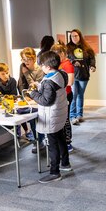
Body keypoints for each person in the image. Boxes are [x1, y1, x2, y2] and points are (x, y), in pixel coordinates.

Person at [28, 51, 71, 183]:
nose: (40, 67)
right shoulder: (61, 74)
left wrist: (33, 94)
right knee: (61, 139)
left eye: (41, 65)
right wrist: (40, 85)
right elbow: (53, 89)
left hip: (51, 117)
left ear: (47, 66)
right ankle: (65, 163)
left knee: (52, 145)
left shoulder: (48, 81)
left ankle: (54, 172)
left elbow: (45, 100)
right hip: (59, 115)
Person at [17, 47, 45, 153]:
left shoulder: (40, 70)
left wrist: (26, 74)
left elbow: (35, 86)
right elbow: (21, 82)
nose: (25, 62)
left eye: (28, 59)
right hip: (27, 97)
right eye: (23, 59)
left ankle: (39, 141)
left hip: (38, 97)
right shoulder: (22, 66)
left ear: (34, 58)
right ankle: (37, 140)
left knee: (36, 120)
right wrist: (24, 95)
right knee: (31, 120)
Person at [67, 29, 96, 125]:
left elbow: (92, 58)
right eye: (72, 36)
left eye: (76, 36)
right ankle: (72, 116)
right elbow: (66, 58)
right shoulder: (68, 47)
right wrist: (73, 61)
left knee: (80, 95)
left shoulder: (86, 47)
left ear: (80, 36)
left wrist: (92, 66)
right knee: (74, 95)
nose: (74, 38)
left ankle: (80, 115)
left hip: (84, 75)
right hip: (73, 75)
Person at [51, 42, 75, 153]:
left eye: (57, 54)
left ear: (62, 53)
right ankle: (62, 142)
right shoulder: (58, 64)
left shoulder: (67, 64)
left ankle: (68, 142)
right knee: (60, 119)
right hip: (59, 95)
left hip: (66, 95)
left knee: (65, 120)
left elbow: (70, 82)